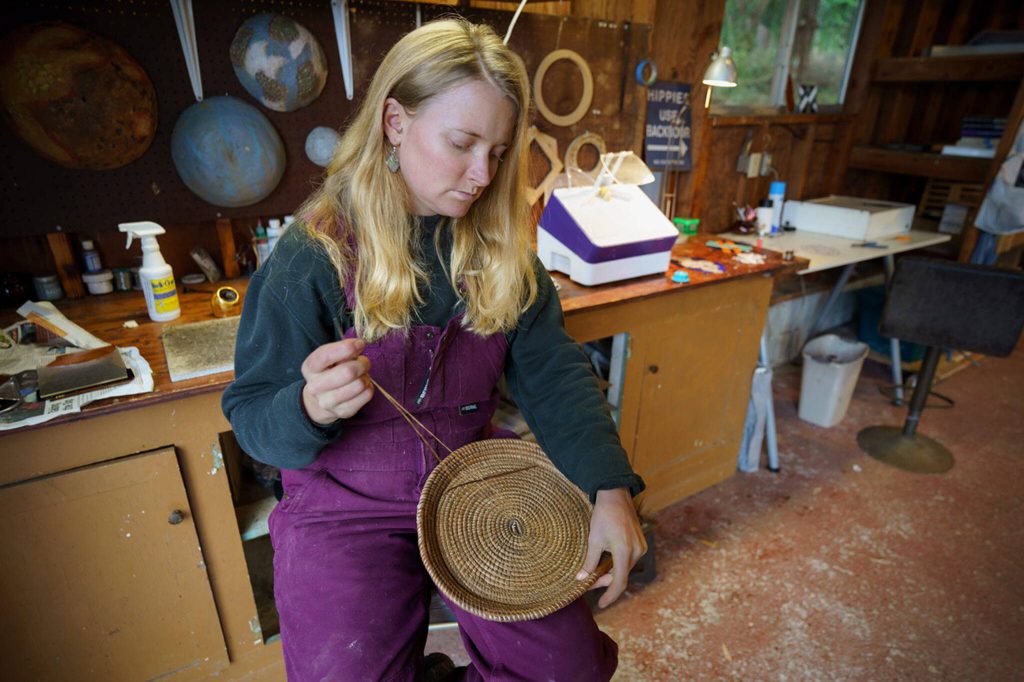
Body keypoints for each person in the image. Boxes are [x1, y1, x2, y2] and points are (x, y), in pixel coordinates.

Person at [222, 17, 647, 681]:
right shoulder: (313, 256)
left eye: (500, 151)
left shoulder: (504, 258)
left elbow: (557, 378)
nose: (482, 173)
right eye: (462, 143)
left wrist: (609, 486)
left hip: (470, 490)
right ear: (395, 121)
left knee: (570, 672)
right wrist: (305, 406)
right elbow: (251, 416)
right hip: (344, 503)